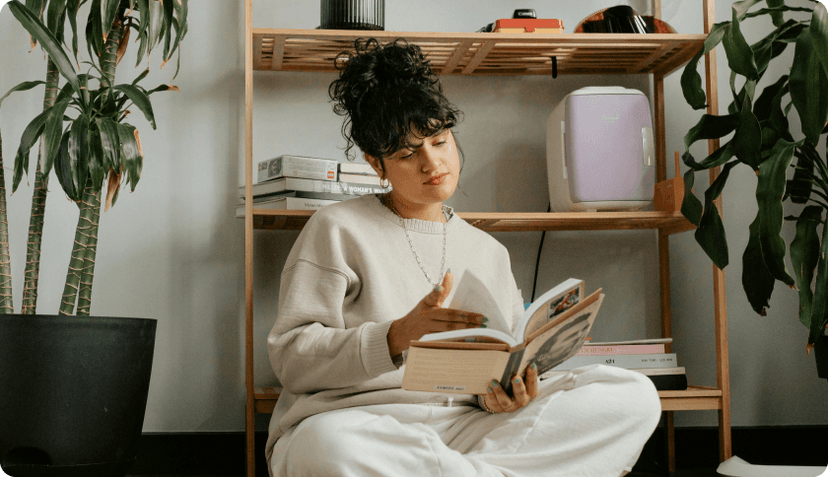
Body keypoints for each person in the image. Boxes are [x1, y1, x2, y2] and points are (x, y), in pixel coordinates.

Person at [265, 38, 661, 477]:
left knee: (632, 395)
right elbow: (291, 360)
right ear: (377, 164)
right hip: (362, 424)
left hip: (466, 426)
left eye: (439, 141)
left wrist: (505, 395)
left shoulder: (488, 251)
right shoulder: (336, 228)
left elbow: (504, 364)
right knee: (328, 446)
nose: (432, 162)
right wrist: (395, 337)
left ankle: (457, 470)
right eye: (407, 153)